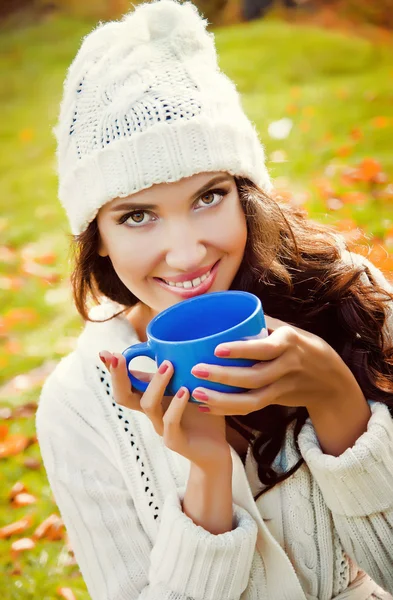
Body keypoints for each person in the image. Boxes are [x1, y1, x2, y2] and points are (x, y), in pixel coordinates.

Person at [35, 1, 393, 599]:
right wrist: (206, 476)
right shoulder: (79, 405)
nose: (185, 255)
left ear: (245, 193)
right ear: (96, 236)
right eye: (138, 215)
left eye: (208, 197)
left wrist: (336, 399)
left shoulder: (349, 295)